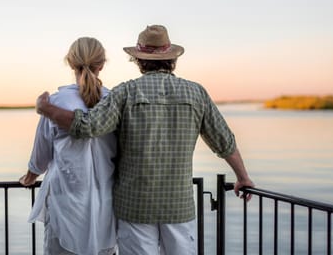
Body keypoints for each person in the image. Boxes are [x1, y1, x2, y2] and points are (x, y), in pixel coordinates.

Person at [35, 25, 254, 255]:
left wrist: (46, 108)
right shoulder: (196, 93)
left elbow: (87, 127)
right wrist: (243, 177)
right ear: (173, 60)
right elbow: (224, 141)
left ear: (138, 61)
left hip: (134, 207)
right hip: (178, 206)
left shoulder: (125, 93)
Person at [19, 37, 117, 255]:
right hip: (105, 202)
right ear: (101, 65)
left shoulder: (56, 102)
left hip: (65, 201)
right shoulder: (114, 101)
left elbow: (40, 156)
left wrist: (29, 178)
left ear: (71, 63)